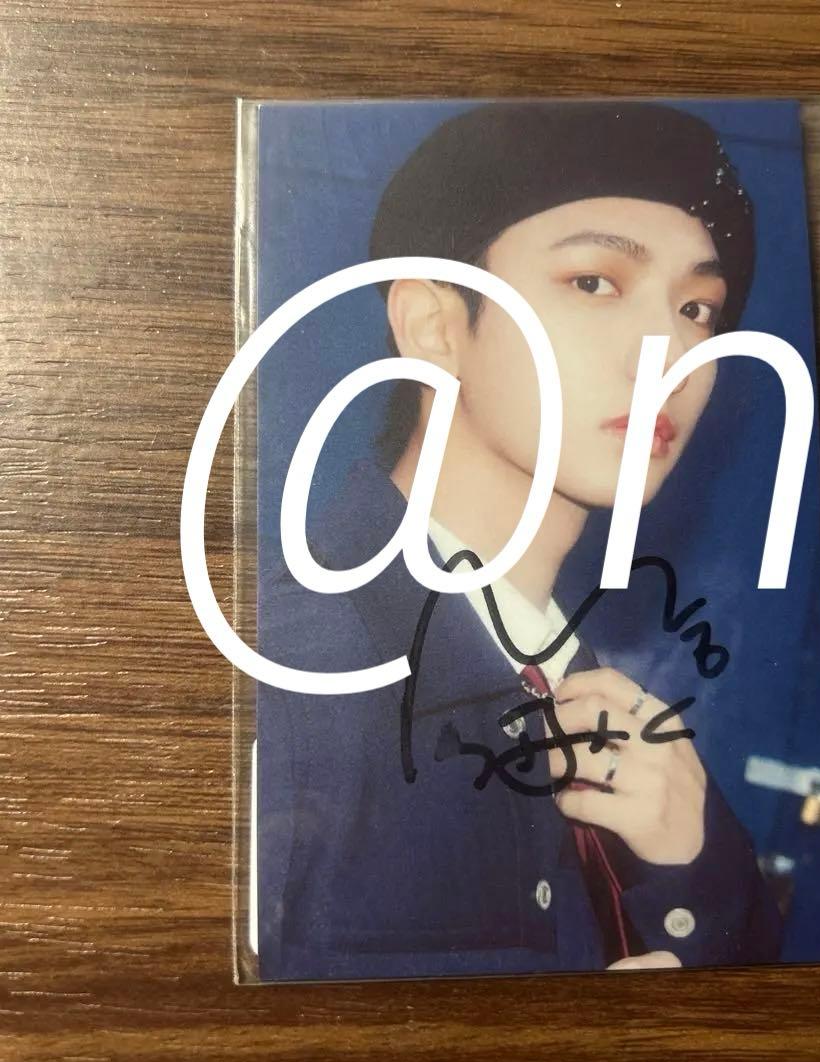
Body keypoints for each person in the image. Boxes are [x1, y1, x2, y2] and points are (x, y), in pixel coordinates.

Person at [256, 101, 783, 981]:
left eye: (698, 307)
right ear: (434, 326)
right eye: (594, 283)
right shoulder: (287, 679)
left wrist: (697, 866)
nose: (671, 354)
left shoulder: (621, 723)